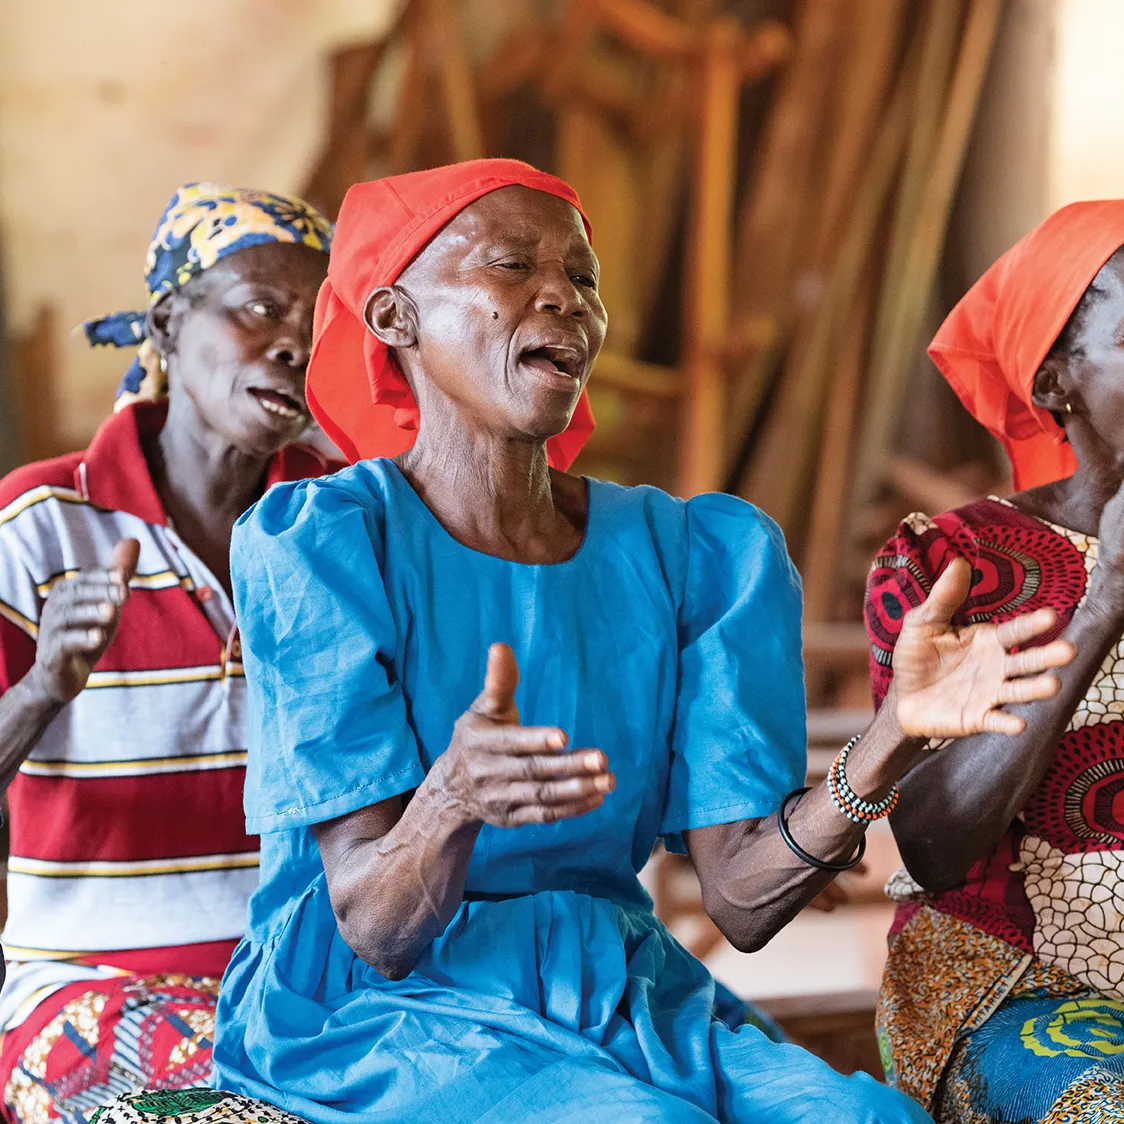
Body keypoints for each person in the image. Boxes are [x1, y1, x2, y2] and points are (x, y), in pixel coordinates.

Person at [190, 160, 1071, 1124]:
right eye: (513, 264)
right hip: (373, 1012)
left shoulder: (698, 555)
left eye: (585, 278)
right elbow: (374, 929)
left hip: (616, 988)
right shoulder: (324, 543)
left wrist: (895, 735)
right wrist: (450, 798)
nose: (563, 294)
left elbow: (740, 898)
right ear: (394, 316)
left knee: (871, 1122)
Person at [0, 183, 335, 1124]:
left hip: (308, 990)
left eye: (316, 322)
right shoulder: (38, 527)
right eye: (260, 308)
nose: (293, 343)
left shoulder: (340, 523)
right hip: (85, 994)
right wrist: (40, 690)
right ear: (168, 323)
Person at [867, 200, 1124, 1123]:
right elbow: (931, 843)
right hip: (1012, 988)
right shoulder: (952, 562)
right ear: (1057, 379)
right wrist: (1105, 601)